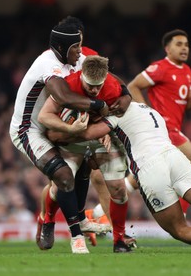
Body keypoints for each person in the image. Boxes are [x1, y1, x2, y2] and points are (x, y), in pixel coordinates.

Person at [45, 101, 191, 253]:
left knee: (178, 229)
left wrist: (67, 132)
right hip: (174, 156)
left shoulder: (114, 114)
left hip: (149, 166)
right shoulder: (147, 108)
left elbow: (88, 133)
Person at [9, 22, 112, 254]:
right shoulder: (49, 64)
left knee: (88, 162)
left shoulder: (76, 60)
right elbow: (64, 97)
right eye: (76, 47)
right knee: (64, 176)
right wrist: (100, 105)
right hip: (29, 129)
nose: (80, 51)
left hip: (56, 124)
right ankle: (73, 233)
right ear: (62, 46)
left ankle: (71, 218)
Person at [38, 55, 132, 252]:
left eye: (99, 86)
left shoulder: (113, 88)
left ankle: (120, 240)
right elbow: (44, 116)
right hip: (70, 138)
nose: (95, 90)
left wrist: (105, 129)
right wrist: (69, 128)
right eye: (90, 85)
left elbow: (115, 116)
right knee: (59, 185)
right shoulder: (67, 85)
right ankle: (49, 220)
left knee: (119, 188)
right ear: (81, 75)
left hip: (99, 138)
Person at [126, 29, 191, 215]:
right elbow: (133, 86)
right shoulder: (160, 67)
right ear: (167, 48)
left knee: (141, 176)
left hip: (174, 128)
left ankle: (98, 212)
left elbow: (185, 107)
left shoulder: (187, 71)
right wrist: (147, 113)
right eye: (179, 44)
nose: (184, 48)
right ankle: (181, 216)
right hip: (166, 129)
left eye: (186, 45)